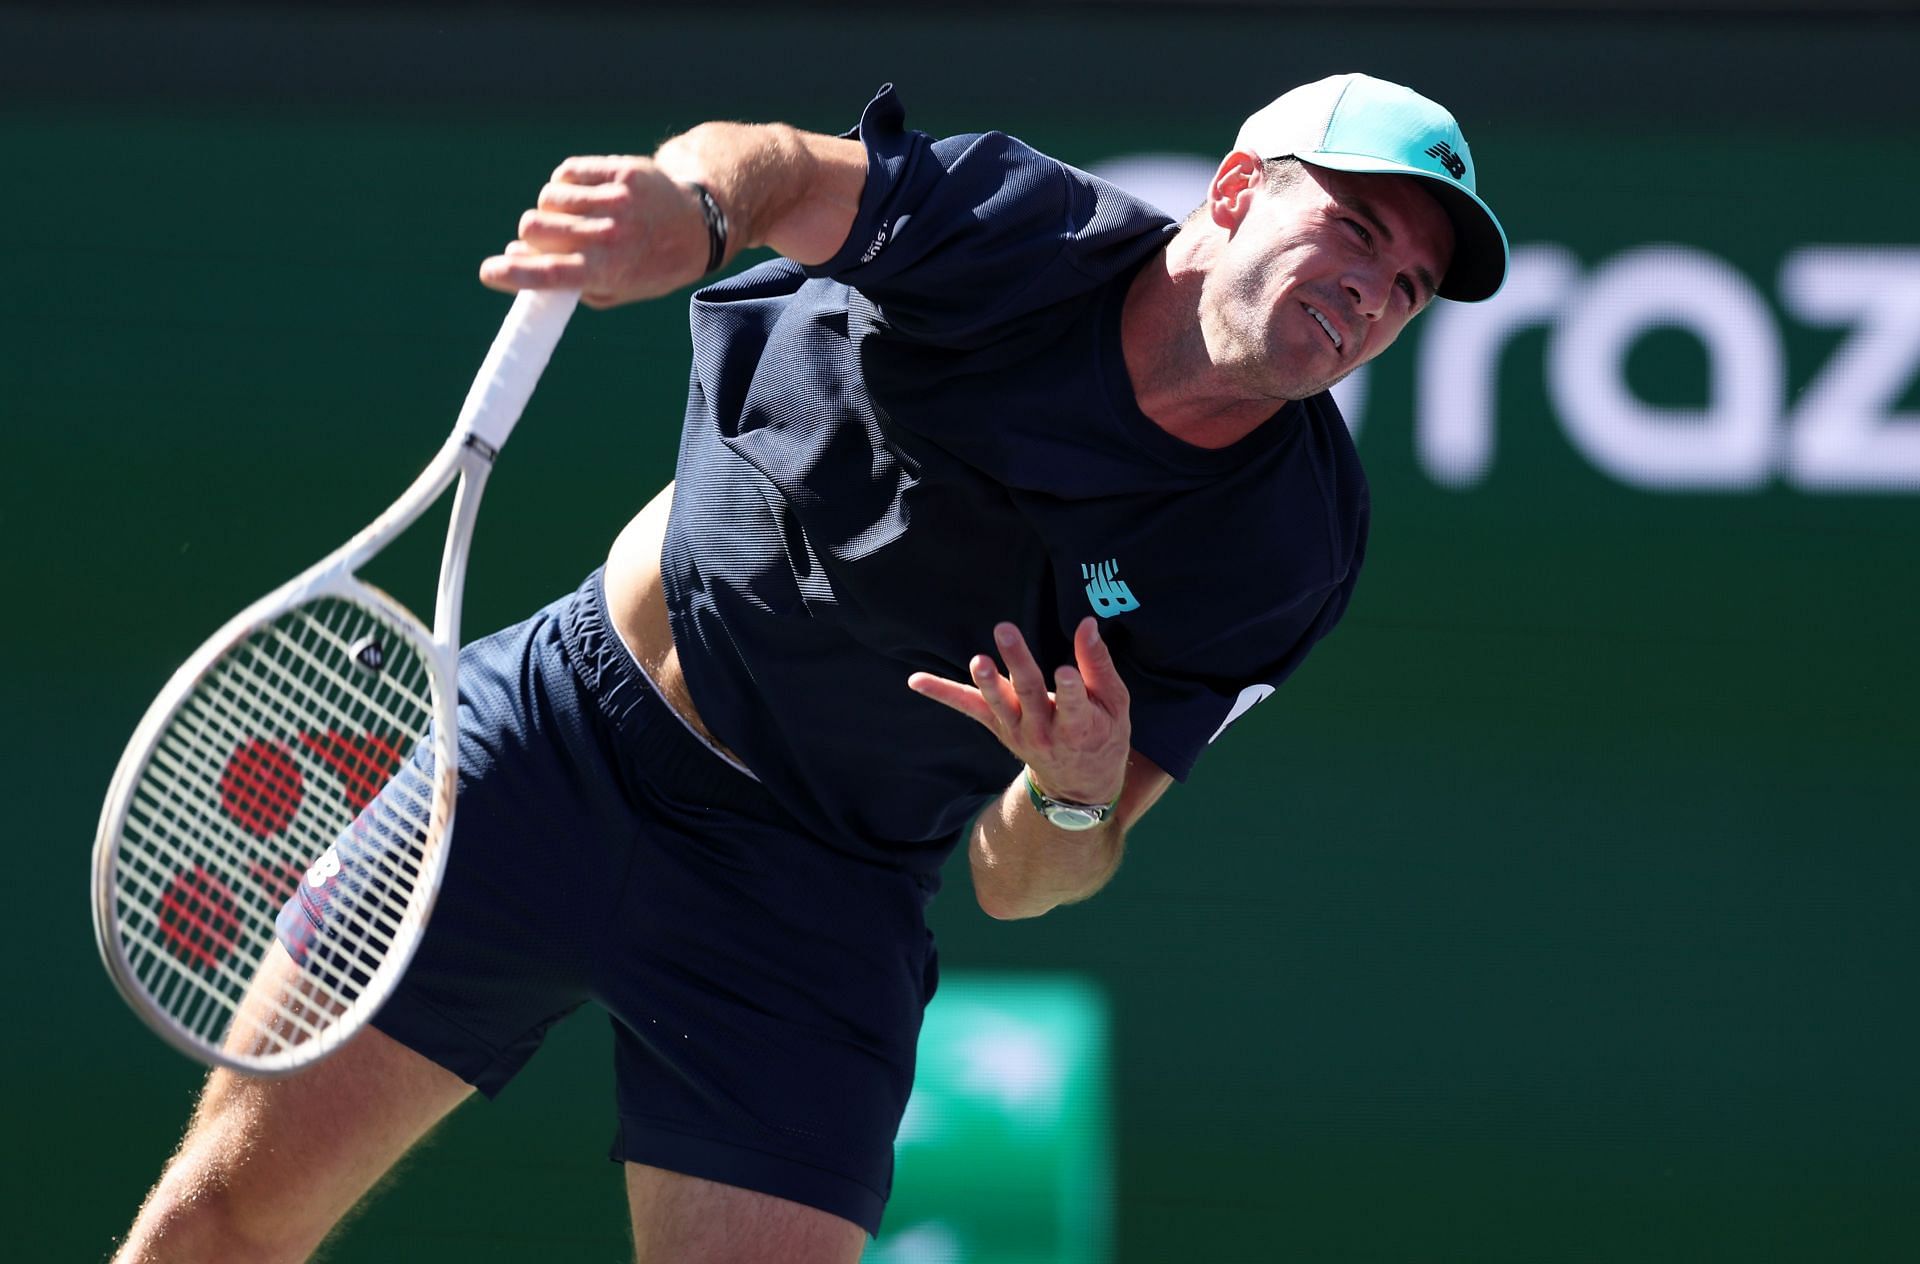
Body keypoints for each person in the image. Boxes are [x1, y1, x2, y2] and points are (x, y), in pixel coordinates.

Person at [113, 72, 1508, 1263]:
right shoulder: (1019, 230)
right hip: (551, 749)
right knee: (215, 1231)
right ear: (1237, 187)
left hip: (812, 908)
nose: (1371, 295)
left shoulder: (1287, 547)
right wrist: (691, 212)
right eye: (1355, 229)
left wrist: (1074, 793)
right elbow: (772, 169)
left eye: (1407, 287)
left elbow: (1026, 881)